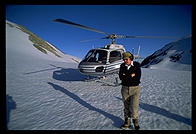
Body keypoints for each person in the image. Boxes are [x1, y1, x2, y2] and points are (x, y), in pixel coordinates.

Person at [119, 52, 141, 130]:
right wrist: (131, 75)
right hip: (124, 89)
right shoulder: (122, 66)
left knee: (134, 106)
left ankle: (135, 122)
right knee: (126, 107)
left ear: (130, 58)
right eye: (124, 59)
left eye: (126, 59)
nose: (125, 61)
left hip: (135, 89)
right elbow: (121, 77)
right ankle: (127, 122)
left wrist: (126, 75)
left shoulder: (136, 65)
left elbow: (137, 78)